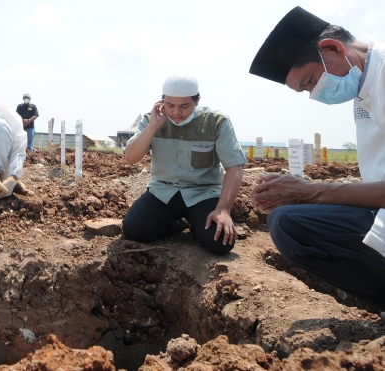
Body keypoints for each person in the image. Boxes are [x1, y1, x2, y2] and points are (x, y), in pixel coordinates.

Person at [249, 6, 385, 313]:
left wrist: (310, 191)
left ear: (332, 48)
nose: (314, 94)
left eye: (309, 81)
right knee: (287, 220)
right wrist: (303, 193)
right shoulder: (365, 86)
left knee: (289, 223)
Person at [122, 74, 246, 255]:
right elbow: (131, 158)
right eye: (170, 105)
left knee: (220, 242)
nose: (176, 112)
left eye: (184, 106)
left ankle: (198, 224)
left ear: (197, 101)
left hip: (203, 193)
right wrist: (153, 126)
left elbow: (234, 167)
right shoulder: (152, 119)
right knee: (134, 230)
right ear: (162, 101)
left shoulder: (217, 122)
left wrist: (223, 209)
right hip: (163, 192)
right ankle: (179, 225)